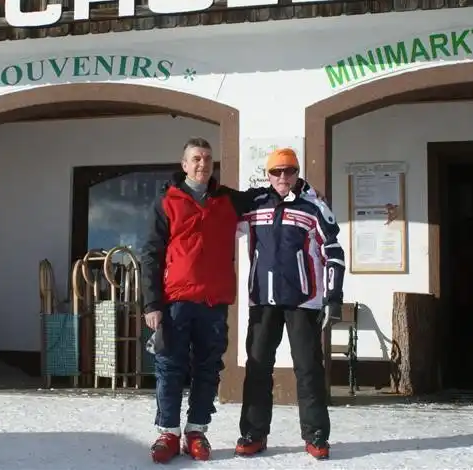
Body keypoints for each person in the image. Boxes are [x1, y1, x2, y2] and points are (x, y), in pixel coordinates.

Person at [140, 137, 274, 464]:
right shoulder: (166, 203)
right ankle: (168, 433)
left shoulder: (226, 200)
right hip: (175, 302)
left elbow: (266, 194)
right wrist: (151, 304)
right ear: (184, 165)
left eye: (207, 159)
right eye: (196, 159)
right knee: (169, 367)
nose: (202, 164)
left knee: (207, 368)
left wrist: (299, 187)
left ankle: (196, 431)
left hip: (214, 302)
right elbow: (151, 255)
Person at [234, 148, 345, 461]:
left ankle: (316, 436)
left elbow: (333, 251)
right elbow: (218, 215)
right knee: (257, 368)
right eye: (276, 171)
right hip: (263, 301)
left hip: (303, 301)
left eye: (290, 171)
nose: (283, 177)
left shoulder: (313, 207)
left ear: (297, 173)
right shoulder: (254, 205)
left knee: (309, 369)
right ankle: (254, 433)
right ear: (267, 175)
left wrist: (333, 297)